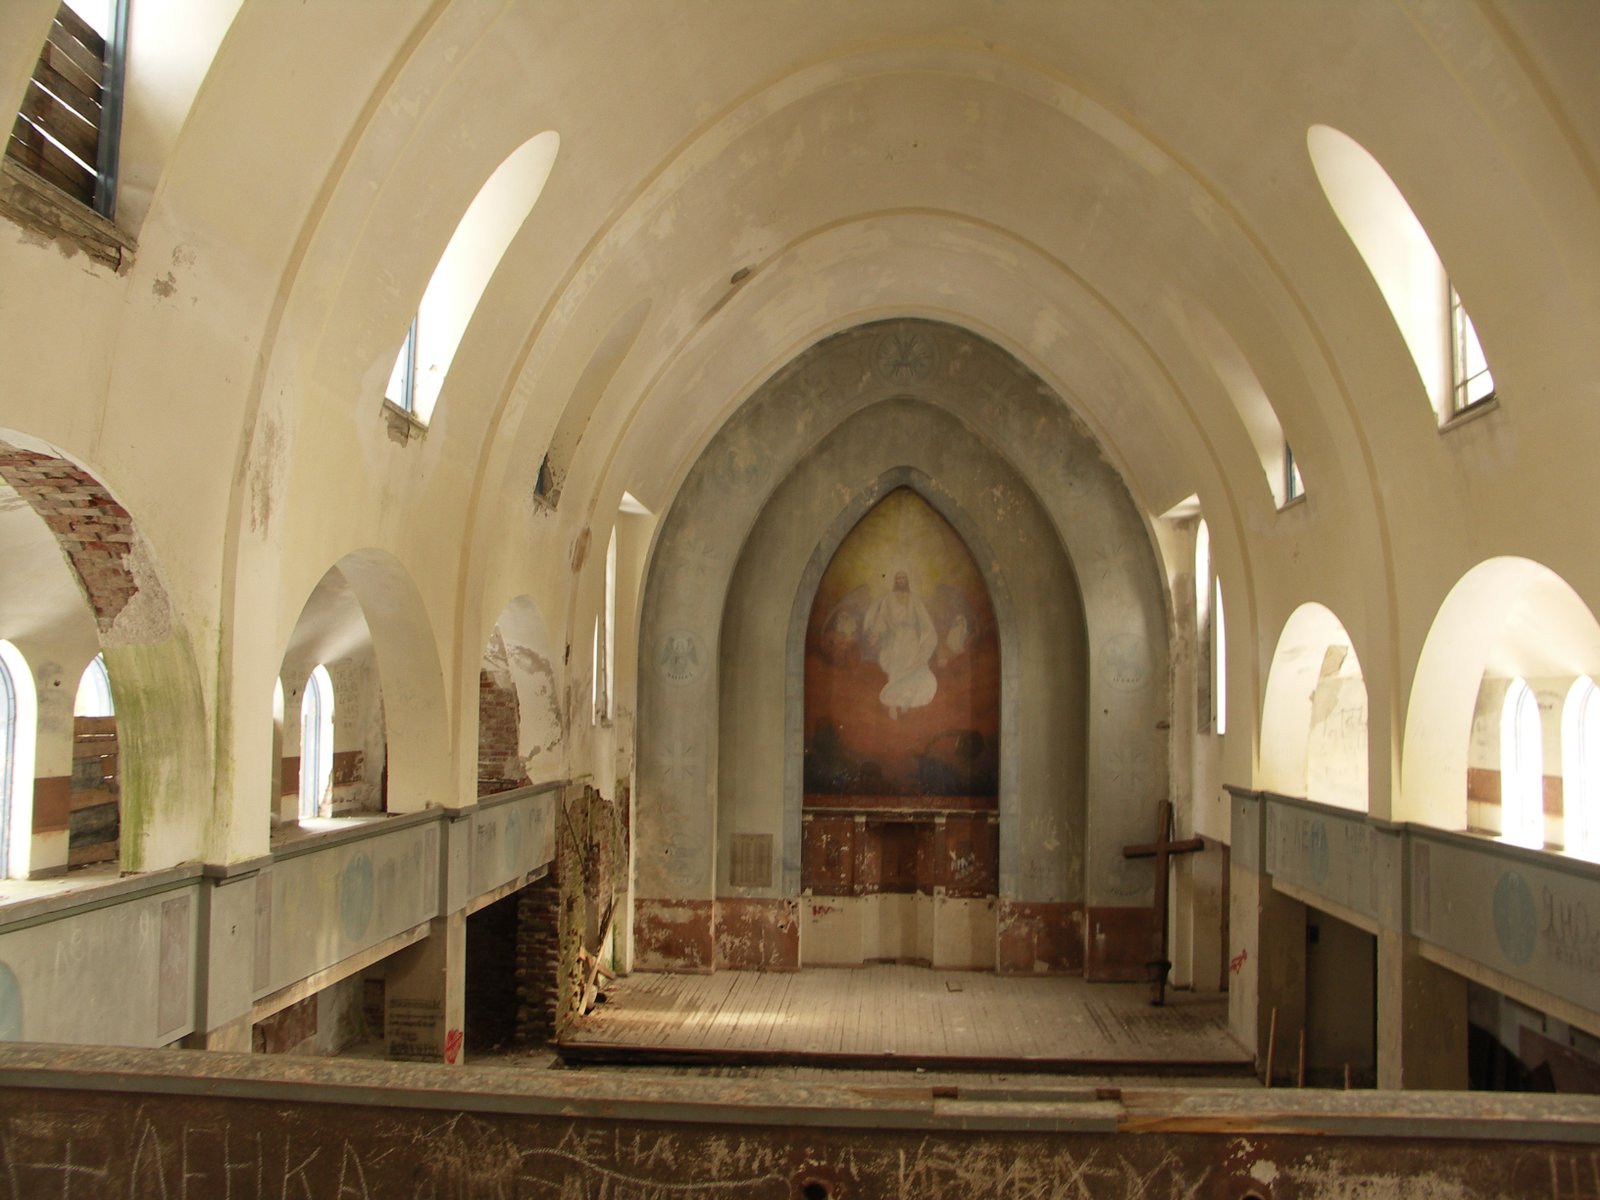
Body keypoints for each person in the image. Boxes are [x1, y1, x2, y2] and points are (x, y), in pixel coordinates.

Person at [865, 569, 938, 718]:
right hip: (896, 639)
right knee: (896, 669)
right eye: (898, 578)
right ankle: (892, 704)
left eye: (903, 578)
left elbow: (924, 620)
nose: (901, 581)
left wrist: (926, 639)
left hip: (911, 640)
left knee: (912, 669)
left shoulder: (914, 600)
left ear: (907, 581)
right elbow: (882, 618)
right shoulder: (888, 599)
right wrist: (876, 634)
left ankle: (906, 700)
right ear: (895, 581)